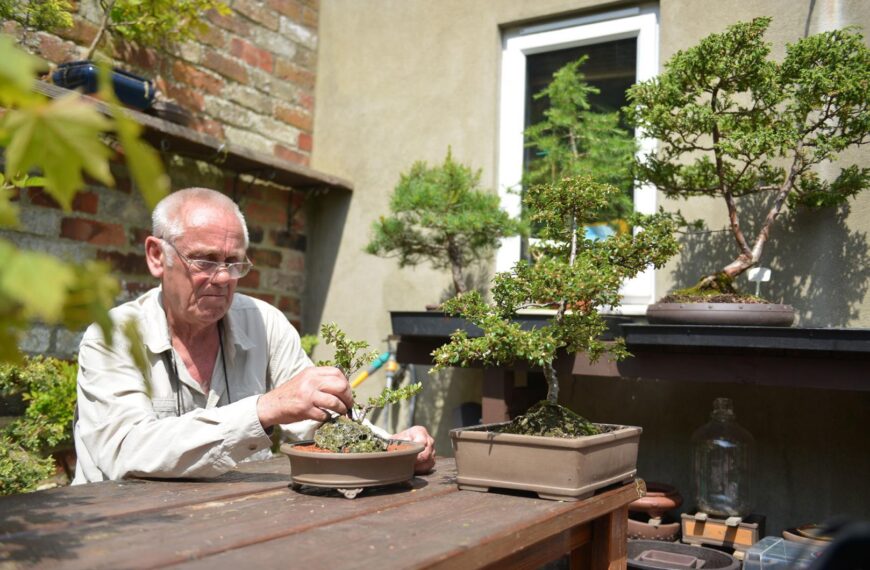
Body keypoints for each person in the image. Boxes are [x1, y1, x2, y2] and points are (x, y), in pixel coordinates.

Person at [72, 187, 435, 484]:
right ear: (156, 256)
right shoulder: (113, 337)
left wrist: (393, 449)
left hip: (235, 522)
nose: (224, 277)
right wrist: (265, 409)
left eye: (234, 262)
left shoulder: (265, 323)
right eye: (205, 260)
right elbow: (126, 451)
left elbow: (319, 422)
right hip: (122, 528)